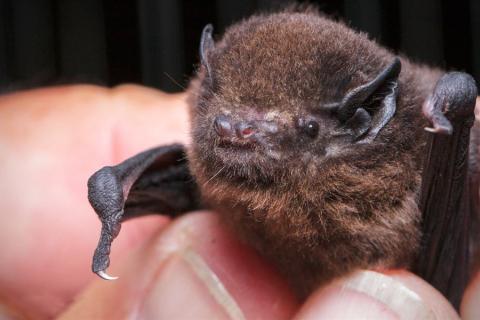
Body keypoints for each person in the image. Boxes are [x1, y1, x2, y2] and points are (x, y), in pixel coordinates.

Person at [0, 84, 478, 319]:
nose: (237, 132)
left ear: (365, 123)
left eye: (305, 128)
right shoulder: (215, 176)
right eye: (223, 115)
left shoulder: (407, 173)